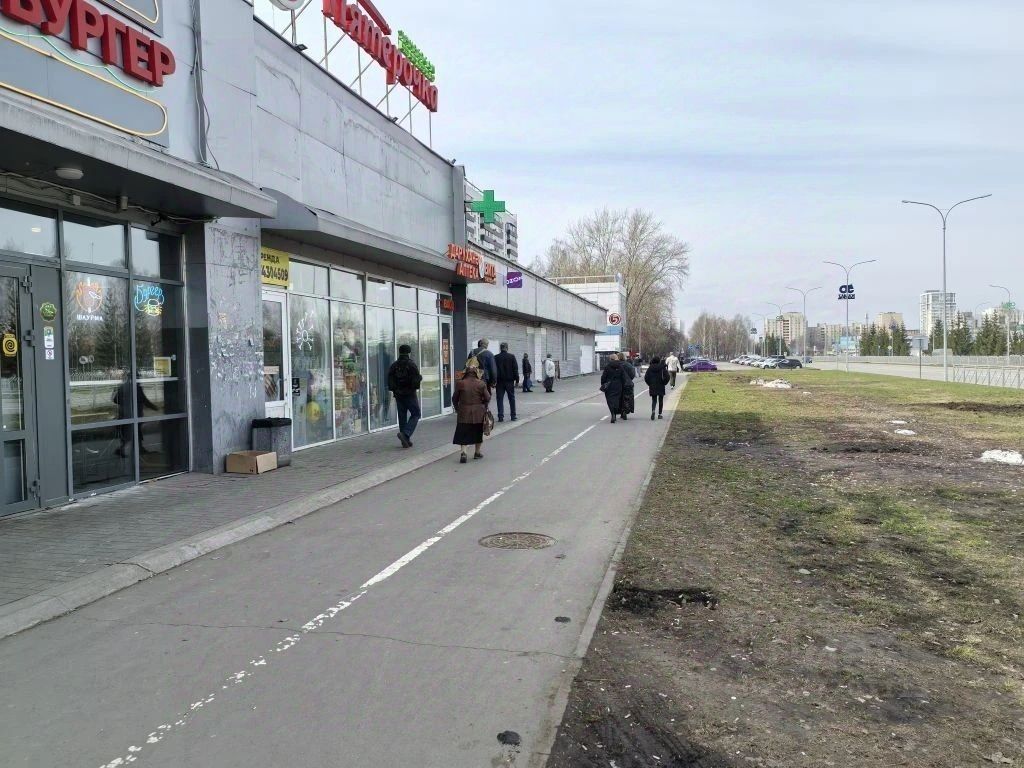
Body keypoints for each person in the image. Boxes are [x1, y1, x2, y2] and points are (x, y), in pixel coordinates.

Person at [453, 364, 491, 463]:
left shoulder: (460, 383)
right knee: (478, 432)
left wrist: (457, 408)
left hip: (464, 412)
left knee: (463, 433)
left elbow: (454, 398)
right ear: (476, 373)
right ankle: (477, 453)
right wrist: (484, 405)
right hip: (478, 413)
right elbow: (487, 397)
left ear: (466, 373)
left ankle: (463, 453)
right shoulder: (481, 383)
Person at [387, 343, 422, 448]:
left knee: (402, 417)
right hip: (410, 394)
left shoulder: (394, 365)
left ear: (399, 352)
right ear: (409, 353)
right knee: (416, 414)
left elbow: (390, 381)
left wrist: (395, 390)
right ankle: (406, 434)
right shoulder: (411, 364)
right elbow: (416, 381)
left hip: (398, 395)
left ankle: (405, 441)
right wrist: (419, 379)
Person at [494, 342, 519, 422]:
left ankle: (500, 416)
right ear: (507, 348)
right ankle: (513, 416)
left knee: (499, 399)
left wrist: (493, 381)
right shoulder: (512, 357)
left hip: (499, 381)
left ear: (500, 348)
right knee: (511, 398)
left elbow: (494, 370)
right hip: (509, 381)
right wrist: (517, 380)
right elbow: (515, 369)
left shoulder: (496, 357)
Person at [600, 353, 628, 423]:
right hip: (618, 385)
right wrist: (623, 384)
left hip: (609, 386)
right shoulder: (620, 366)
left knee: (610, 400)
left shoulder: (607, 366)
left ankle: (613, 414)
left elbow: (603, 377)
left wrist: (603, 384)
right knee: (617, 400)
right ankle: (615, 412)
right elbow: (623, 377)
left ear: (610, 359)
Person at [644, 355, 671, 420]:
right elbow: (667, 376)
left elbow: (646, 377)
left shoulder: (650, 368)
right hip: (661, 385)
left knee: (654, 400)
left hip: (652, 385)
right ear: (659, 361)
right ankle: (660, 414)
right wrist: (664, 382)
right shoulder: (662, 367)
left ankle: (653, 410)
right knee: (660, 400)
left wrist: (649, 384)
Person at [621, 354, 636, 419]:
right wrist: (629, 379)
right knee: (627, 397)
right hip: (628, 383)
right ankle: (626, 409)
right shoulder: (628, 365)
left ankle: (621, 411)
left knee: (620, 397)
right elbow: (633, 374)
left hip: (619, 383)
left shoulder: (617, 364)